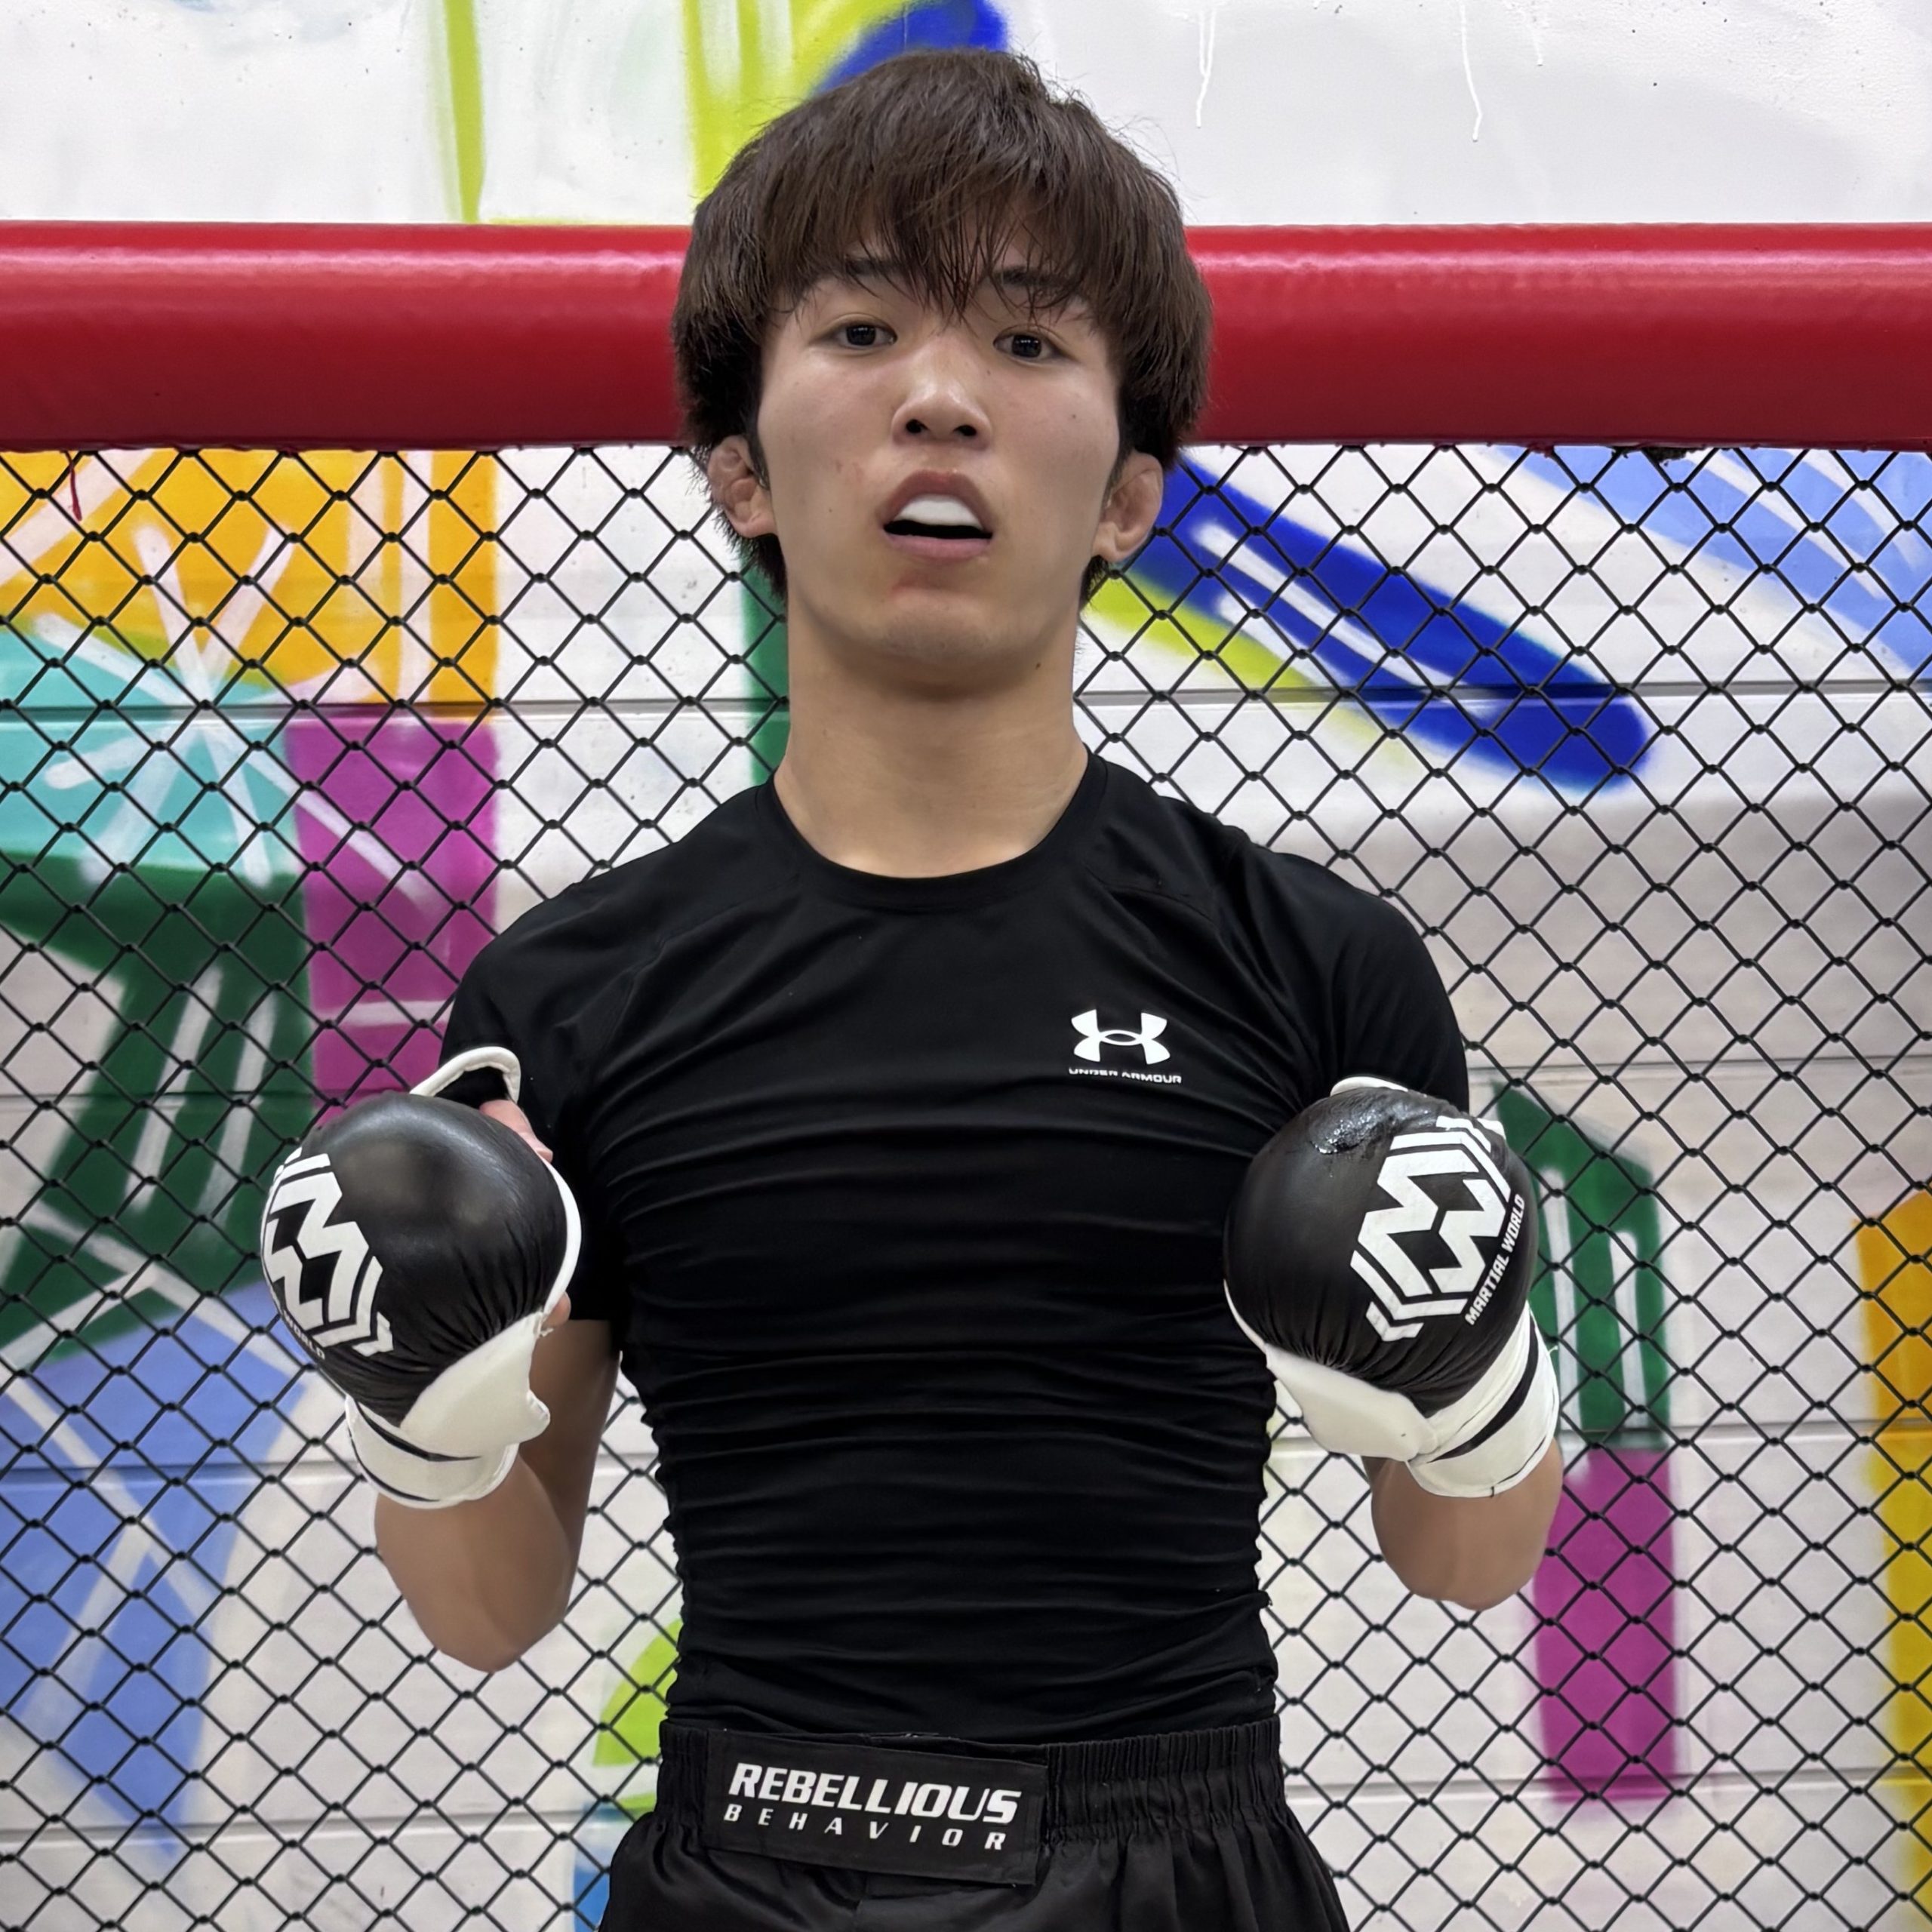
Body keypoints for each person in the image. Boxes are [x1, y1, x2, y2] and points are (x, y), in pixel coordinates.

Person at [368, 48, 1563, 1930]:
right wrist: (422, 1409)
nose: (938, 395)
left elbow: (1462, 1554)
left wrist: (1467, 1383)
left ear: (1128, 496)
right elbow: (491, 1607)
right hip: (747, 1859)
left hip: (1176, 1861)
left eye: (1025, 341)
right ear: (741, 470)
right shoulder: (572, 989)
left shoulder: (1309, 961)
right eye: (860, 329)